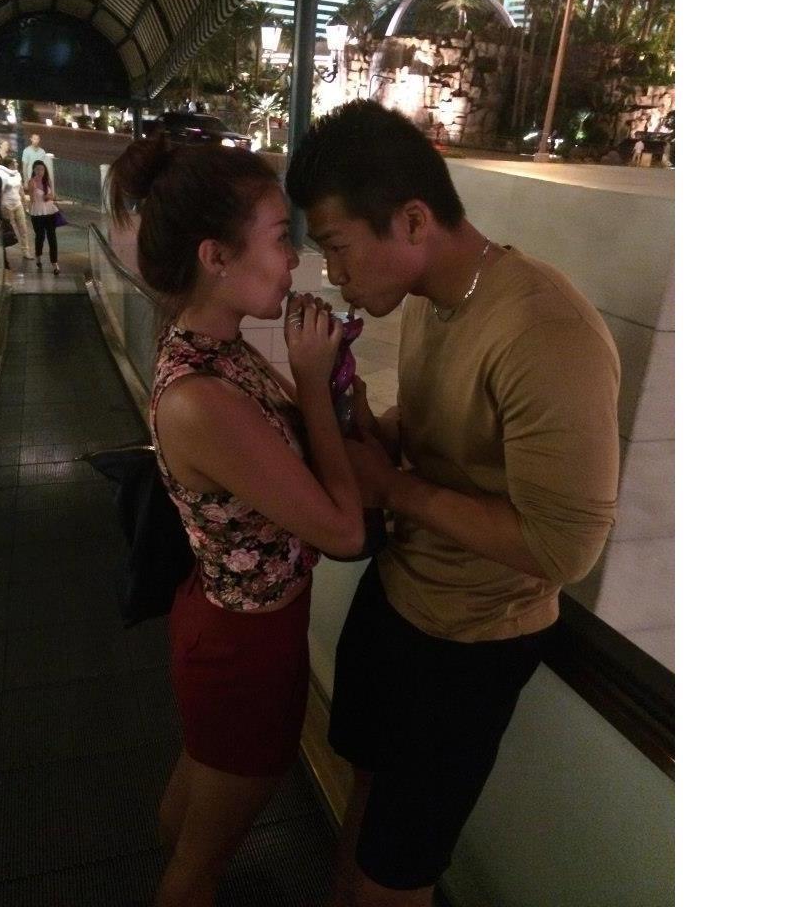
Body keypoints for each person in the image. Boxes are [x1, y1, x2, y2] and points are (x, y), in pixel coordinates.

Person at [285, 100, 620, 907]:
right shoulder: (436, 299)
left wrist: (393, 488)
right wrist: (367, 421)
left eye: (337, 248)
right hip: (400, 595)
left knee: (399, 868)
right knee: (364, 796)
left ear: (412, 220)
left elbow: (565, 548)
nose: (334, 275)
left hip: (470, 644)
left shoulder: (546, 329)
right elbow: (439, 432)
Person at [105, 136, 364, 907]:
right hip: (244, 649)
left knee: (197, 806)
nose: (294, 260)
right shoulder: (203, 397)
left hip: (233, 627)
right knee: (201, 863)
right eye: (281, 238)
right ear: (216, 257)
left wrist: (326, 386)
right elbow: (344, 534)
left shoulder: (215, 350)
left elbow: (288, 453)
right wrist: (312, 381)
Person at [26, 160, 60, 274]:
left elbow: (53, 196)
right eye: (37, 169)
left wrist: (49, 197)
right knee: (40, 237)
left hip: (50, 212)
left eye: (42, 169)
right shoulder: (32, 182)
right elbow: (31, 199)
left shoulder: (48, 181)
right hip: (38, 213)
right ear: (34, 170)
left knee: (52, 238)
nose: (40, 171)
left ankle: (55, 263)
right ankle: (38, 256)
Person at [0, 157, 34, 261]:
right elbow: (0, 192)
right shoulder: (1, 175)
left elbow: (20, 189)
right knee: (8, 229)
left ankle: (25, 250)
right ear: (9, 165)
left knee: (23, 228)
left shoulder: (17, 174)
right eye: (15, 162)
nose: (17, 163)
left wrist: (24, 202)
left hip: (17, 204)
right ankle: (3, 251)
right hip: (6, 205)